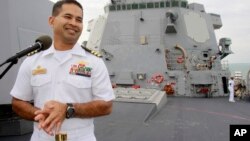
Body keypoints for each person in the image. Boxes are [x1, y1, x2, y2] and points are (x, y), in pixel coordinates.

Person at [10, 0, 115, 141]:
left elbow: (106, 106)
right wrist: (40, 114)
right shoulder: (32, 61)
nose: (74, 23)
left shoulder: (94, 62)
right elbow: (18, 102)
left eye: (79, 20)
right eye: (67, 16)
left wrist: (68, 109)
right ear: (52, 21)